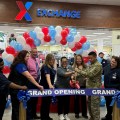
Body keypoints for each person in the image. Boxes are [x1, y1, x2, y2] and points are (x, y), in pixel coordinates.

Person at [8, 50, 43, 120]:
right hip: (16, 90)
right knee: (16, 109)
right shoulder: (20, 65)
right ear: (22, 57)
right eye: (27, 56)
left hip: (17, 90)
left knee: (18, 109)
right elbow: (29, 76)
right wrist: (38, 85)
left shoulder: (19, 64)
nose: (28, 58)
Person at [75, 51, 102, 120]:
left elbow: (89, 74)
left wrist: (78, 71)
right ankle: (92, 117)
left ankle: (96, 118)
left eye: (91, 58)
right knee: (90, 105)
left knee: (94, 106)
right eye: (89, 58)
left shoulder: (98, 65)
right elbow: (87, 73)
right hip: (90, 88)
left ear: (95, 57)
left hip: (95, 89)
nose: (90, 60)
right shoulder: (91, 64)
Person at [101, 56, 120, 120]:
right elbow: (101, 74)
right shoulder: (107, 67)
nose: (112, 63)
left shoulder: (119, 70)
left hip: (116, 91)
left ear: (117, 63)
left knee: (116, 106)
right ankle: (108, 116)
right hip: (107, 90)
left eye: (114, 62)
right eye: (112, 61)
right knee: (108, 104)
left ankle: (116, 117)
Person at [40, 54, 56, 120]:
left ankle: (46, 116)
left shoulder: (51, 66)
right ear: (47, 59)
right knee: (44, 102)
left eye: (53, 59)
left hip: (49, 87)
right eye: (51, 59)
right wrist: (50, 84)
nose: (52, 61)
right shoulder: (45, 66)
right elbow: (47, 76)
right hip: (45, 87)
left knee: (47, 102)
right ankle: (43, 117)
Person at [27, 47, 41, 119]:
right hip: (30, 82)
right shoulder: (28, 60)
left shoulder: (38, 60)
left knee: (35, 99)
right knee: (30, 100)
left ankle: (34, 114)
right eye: (33, 52)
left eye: (36, 52)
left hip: (37, 81)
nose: (35, 53)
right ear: (30, 52)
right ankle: (29, 116)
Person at [73, 54, 88, 119]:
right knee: (76, 100)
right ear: (75, 60)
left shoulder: (85, 66)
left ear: (82, 59)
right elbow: (72, 77)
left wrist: (86, 78)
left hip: (84, 85)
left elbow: (88, 74)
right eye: (77, 59)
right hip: (76, 86)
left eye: (80, 59)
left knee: (83, 100)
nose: (79, 60)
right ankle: (76, 113)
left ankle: (84, 113)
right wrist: (73, 77)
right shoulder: (73, 67)